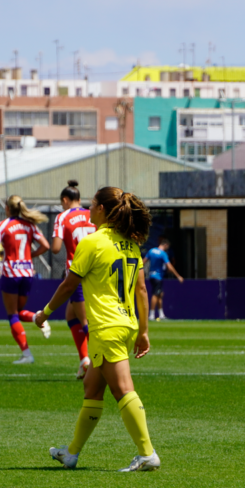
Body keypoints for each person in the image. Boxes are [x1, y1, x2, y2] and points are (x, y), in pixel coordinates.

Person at [34, 187, 159, 472]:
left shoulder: (92, 242)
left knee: (123, 389)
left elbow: (69, 285)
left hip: (106, 326)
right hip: (126, 324)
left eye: (92, 204)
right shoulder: (131, 243)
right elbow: (141, 289)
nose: (89, 209)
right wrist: (143, 332)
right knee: (92, 387)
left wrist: (45, 313)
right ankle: (71, 453)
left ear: (102, 209)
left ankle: (147, 453)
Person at [0, 195, 51, 364]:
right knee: (19, 312)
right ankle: (37, 317)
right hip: (27, 272)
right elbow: (46, 245)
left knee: (12, 315)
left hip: (11, 272)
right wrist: (30, 255)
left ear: (7, 208)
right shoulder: (29, 225)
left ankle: (27, 354)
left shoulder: (2, 225)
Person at [51, 180, 96, 378]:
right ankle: (84, 360)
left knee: (85, 322)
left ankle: (104, 363)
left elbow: (55, 248)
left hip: (77, 272)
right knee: (71, 315)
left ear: (65, 200)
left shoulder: (62, 217)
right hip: (96, 270)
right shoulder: (92, 214)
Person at [143, 238, 183, 321]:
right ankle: (151, 315)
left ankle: (161, 314)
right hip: (158, 276)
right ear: (165, 245)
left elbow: (143, 261)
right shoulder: (163, 253)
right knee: (155, 294)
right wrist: (178, 276)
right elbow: (169, 266)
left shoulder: (151, 251)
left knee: (160, 294)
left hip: (152, 275)